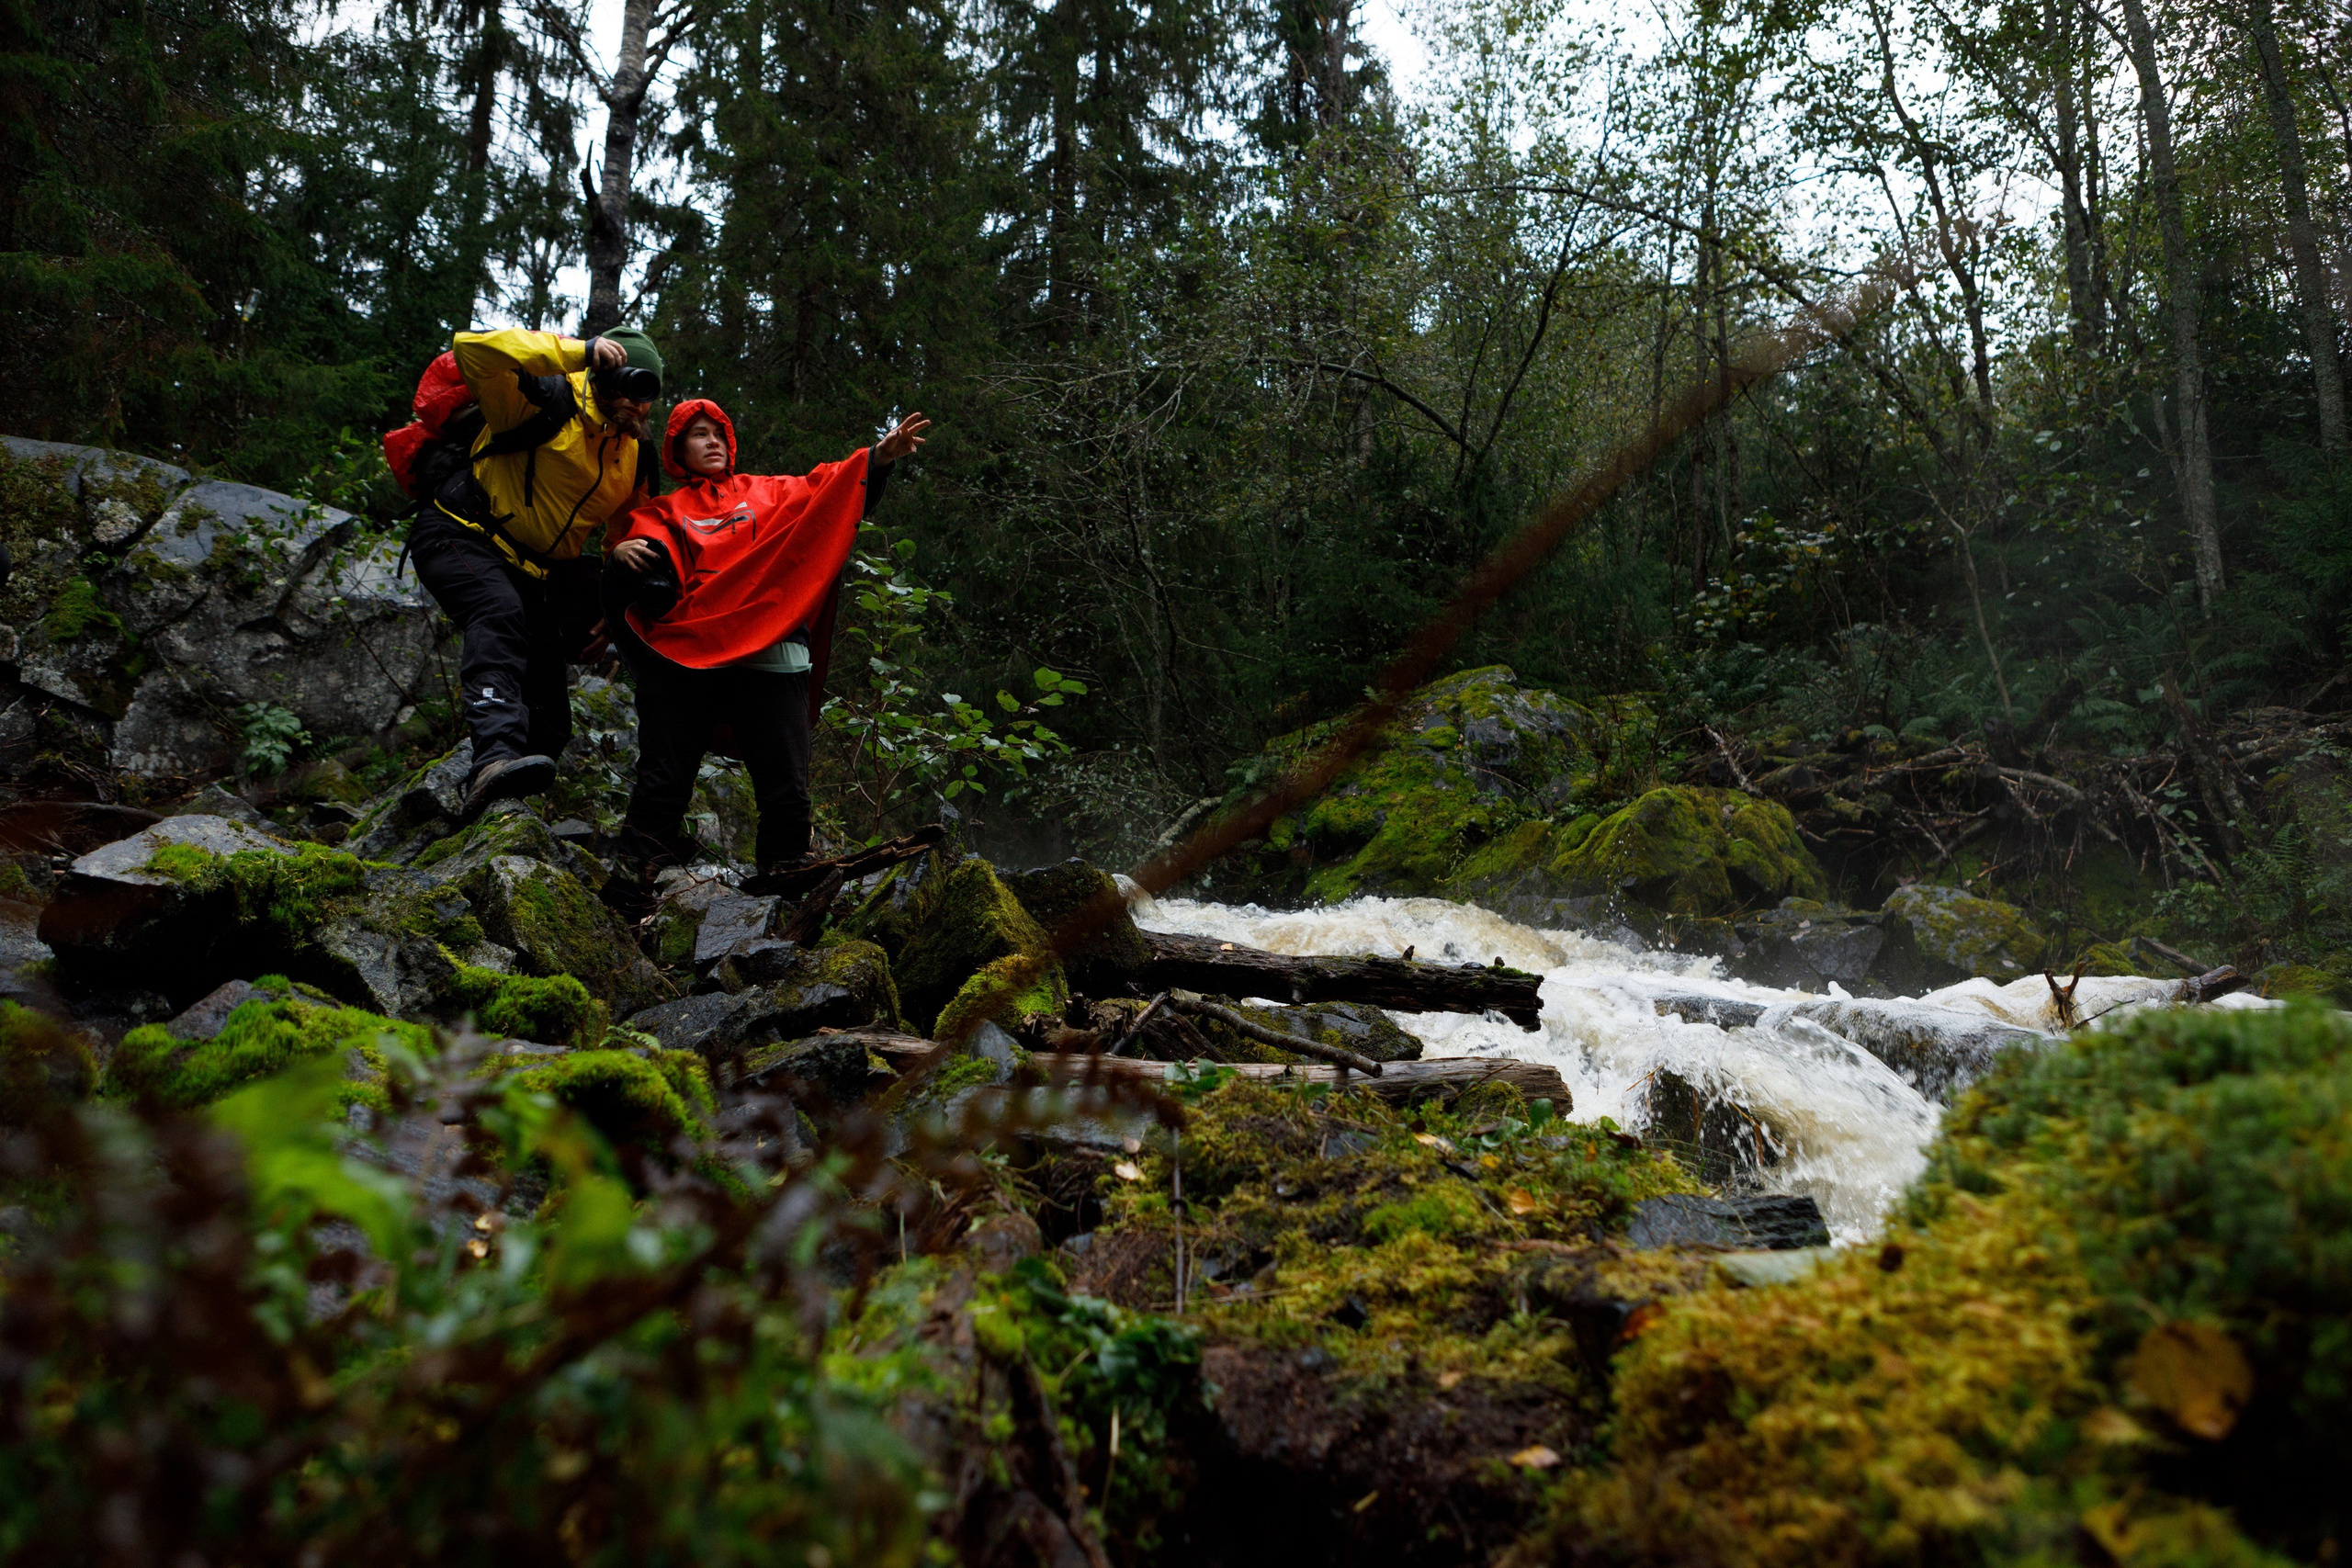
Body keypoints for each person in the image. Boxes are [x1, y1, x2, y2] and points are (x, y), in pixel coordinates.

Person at [603, 397, 931, 882]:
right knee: (663, 779)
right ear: (677, 449)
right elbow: (637, 569)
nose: (711, 440)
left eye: (718, 432)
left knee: (786, 786)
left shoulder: (773, 492)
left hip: (772, 652)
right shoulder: (664, 511)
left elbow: (834, 492)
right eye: (698, 434)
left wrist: (878, 460)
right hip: (689, 657)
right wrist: (619, 552)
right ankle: (634, 883)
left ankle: (785, 882)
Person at [411, 325, 666, 818]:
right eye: (628, 382)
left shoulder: (634, 455)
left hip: (534, 572)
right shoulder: (539, 400)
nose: (636, 403)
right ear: (603, 374)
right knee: (497, 611)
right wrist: (578, 353)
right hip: (460, 531)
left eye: (648, 391)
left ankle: (496, 816)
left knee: (550, 721)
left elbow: (624, 540)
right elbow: (472, 351)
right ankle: (491, 760)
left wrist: (612, 612)